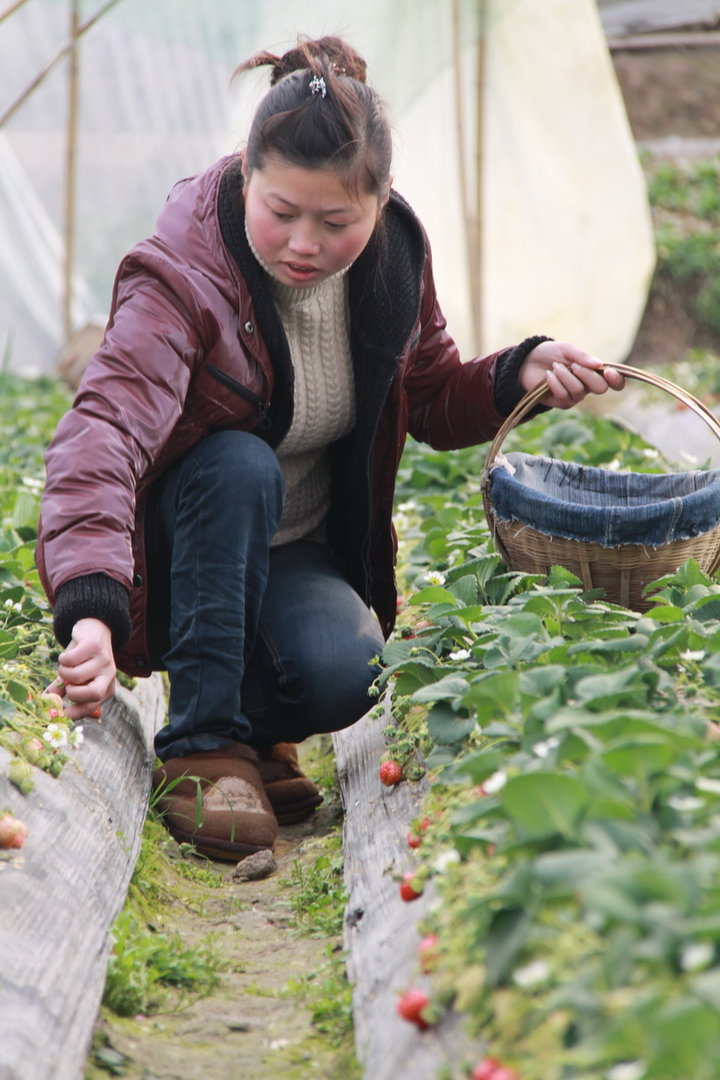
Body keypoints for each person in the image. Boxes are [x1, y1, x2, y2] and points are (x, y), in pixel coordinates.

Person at [36, 35, 624, 861]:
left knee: (347, 670)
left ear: (379, 204)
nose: (304, 243)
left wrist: (515, 372)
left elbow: (426, 393)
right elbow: (103, 432)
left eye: (336, 221)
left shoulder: (391, 266)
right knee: (237, 462)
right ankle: (203, 746)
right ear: (248, 174)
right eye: (281, 213)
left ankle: (258, 733)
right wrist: (91, 608)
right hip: (179, 555)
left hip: (289, 552)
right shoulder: (185, 273)